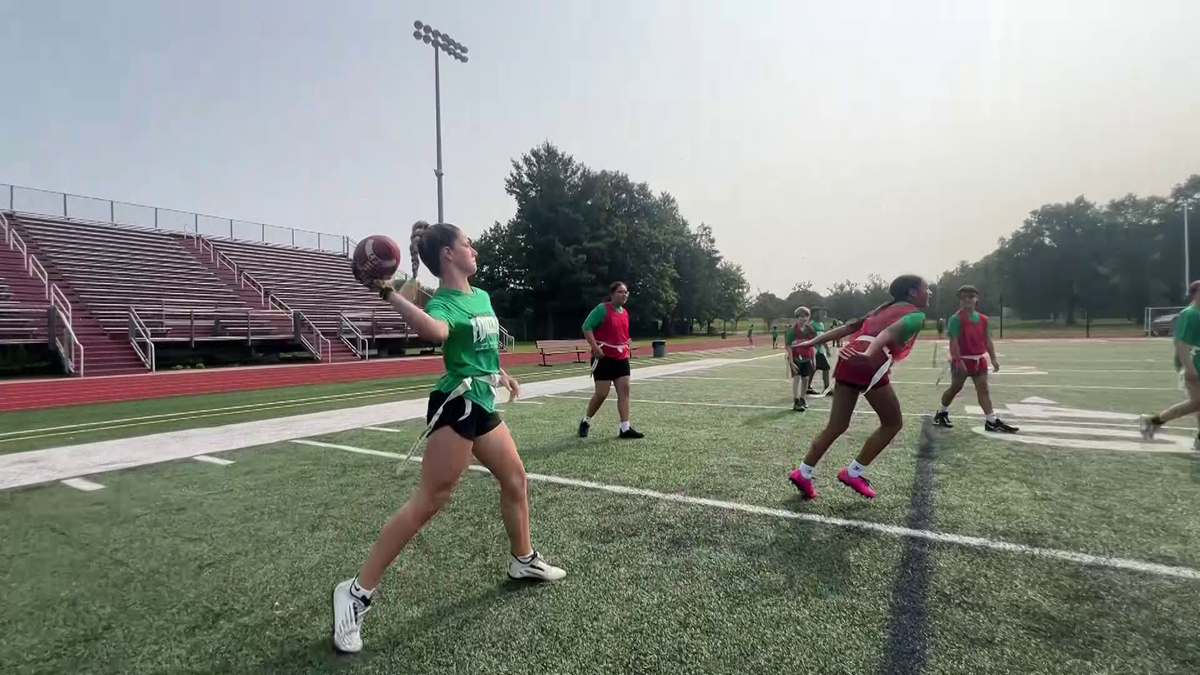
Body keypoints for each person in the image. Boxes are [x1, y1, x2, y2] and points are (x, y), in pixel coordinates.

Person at [332, 222, 566, 654]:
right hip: (456, 403)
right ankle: (355, 592)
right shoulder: (442, 303)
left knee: (515, 478)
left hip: (481, 399)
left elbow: (483, 350)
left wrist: (503, 374)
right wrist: (389, 293)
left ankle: (522, 559)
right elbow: (435, 334)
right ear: (448, 256)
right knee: (430, 500)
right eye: (467, 244)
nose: (474, 248)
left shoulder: (481, 296)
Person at [787, 275, 930, 500]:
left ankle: (803, 472)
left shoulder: (880, 310)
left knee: (836, 425)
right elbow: (889, 333)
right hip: (868, 362)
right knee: (893, 423)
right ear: (912, 292)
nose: (929, 293)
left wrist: (811, 342)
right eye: (926, 289)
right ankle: (854, 472)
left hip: (848, 359)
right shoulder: (916, 314)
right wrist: (868, 354)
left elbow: (846, 329)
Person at [933, 285, 1018, 433]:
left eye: (971, 296)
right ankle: (941, 412)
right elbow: (954, 342)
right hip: (963, 360)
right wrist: (958, 361)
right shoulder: (956, 319)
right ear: (960, 300)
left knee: (983, 389)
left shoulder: (983, 319)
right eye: (964, 297)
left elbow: (987, 341)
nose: (967, 300)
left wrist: (993, 359)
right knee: (956, 388)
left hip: (979, 360)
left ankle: (991, 421)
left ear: (976, 299)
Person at [579, 282, 644, 439]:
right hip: (604, 358)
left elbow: (621, 333)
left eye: (626, 292)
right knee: (601, 394)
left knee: (624, 390)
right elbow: (586, 327)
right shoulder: (602, 309)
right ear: (612, 294)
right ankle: (586, 421)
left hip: (621, 358)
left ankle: (625, 428)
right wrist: (595, 347)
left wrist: (626, 344)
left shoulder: (625, 313)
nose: (624, 295)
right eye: (621, 292)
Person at [1141, 280, 1200, 446]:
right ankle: (1155, 421)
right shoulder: (1191, 314)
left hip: (1197, 361)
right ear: (1195, 293)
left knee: (1197, 402)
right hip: (1193, 362)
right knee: (1197, 402)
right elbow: (1182, 344)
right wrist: (1188, 367)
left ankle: (1154, 422)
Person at [785, 306, 819, 411]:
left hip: (806, 357)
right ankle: (796, 401)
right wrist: (791, 361)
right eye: (800, 316)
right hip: (795, 357)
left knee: (806, 379)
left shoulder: (810, 330)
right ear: (796, 317)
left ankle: (802, 398)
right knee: (796, 378)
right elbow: (788, 346)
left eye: (805, 316)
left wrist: (813, 359)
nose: (803, 319)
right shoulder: (792, 330)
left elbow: (812, 344)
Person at [808, 308, 833, 395]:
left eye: (820, 313)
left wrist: (826, 348)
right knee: (826, 368)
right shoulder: (811, 325)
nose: (819, 314)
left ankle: (807, 386)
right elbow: (811, 338)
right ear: (813, 314)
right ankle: (826, 387)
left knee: (813, 369)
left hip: (820, 350)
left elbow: (823, 337)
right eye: (817, 313)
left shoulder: (821, 324)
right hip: (815, 349)